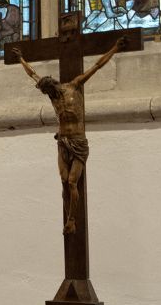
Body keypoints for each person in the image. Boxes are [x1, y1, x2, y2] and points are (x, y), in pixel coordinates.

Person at [11, 37, 127, 236]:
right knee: (64, 180)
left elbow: (97, 66)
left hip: (78, 141)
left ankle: (72, 220)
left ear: (52, 84)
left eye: (47, 90)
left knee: (72, 182)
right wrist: (21, 58)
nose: (47, 93)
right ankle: (68, 219)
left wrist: (115, 47)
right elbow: (32, 74)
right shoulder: (52, 95)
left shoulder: (74, 86)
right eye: (45, 92)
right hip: (62, 141)